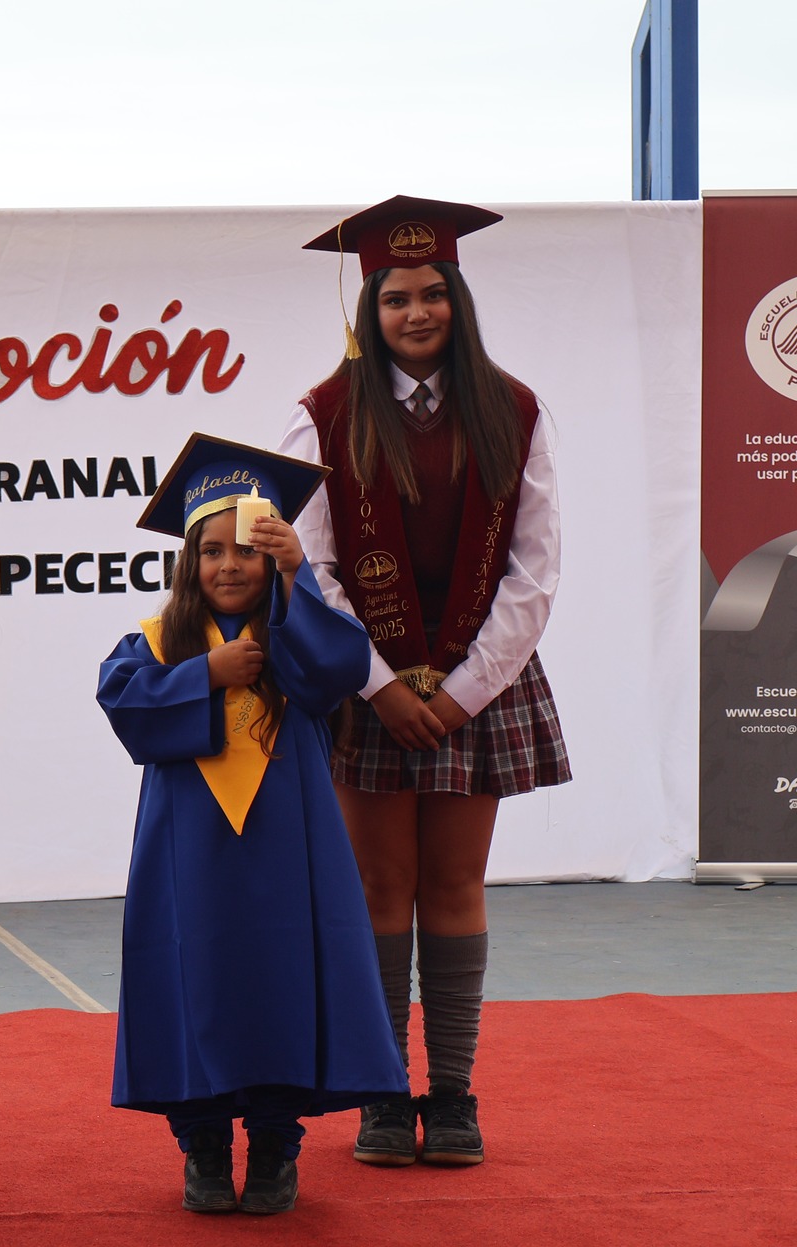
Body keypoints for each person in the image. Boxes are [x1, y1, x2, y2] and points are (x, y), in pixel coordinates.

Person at [282, 197, 570, 1167]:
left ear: (457, 298)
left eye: (432, 293)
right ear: (366, 308)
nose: (416, 312)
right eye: (395, 297)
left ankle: (449, 1095)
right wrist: (374, 684)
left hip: (475, 684)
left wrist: (459, 692)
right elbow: (309, 572)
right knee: (378, 889)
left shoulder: (513, 408)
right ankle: (376, 1091)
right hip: (365, 690)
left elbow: (533, 571)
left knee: (452, 885)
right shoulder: (319, 415)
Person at [98, 436, 410, 1216]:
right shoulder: (158, 640)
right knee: (189, 978)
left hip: (288, 852)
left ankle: (274, 1143)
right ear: (187, 562)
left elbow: (339, 668)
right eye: (210, 550)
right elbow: (125, 704)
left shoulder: (296, 630)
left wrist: (301, 572)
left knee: (283, 980)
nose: (229, 564)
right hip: (186, 856)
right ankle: (202, 1143)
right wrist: (206, 672)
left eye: (247, 549)